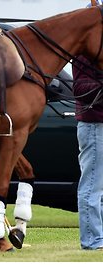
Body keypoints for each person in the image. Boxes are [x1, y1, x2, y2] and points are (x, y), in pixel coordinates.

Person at [72, 56, 103, 250]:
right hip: (94, 125)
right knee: (92, 185)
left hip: (97, 124)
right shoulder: (85, 53)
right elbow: (80, 89)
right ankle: (93, 240)